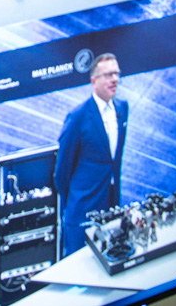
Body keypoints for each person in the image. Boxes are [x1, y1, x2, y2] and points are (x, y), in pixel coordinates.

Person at [53, 53, 130, 256]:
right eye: (108, 75)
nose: (115, 79)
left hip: (112, 204)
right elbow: (62, 172)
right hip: (82, 209)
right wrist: (76, 198)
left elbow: (114, 160)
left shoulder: (123, 109)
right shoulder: (77, 117)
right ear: (94, 81)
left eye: (117, 74)